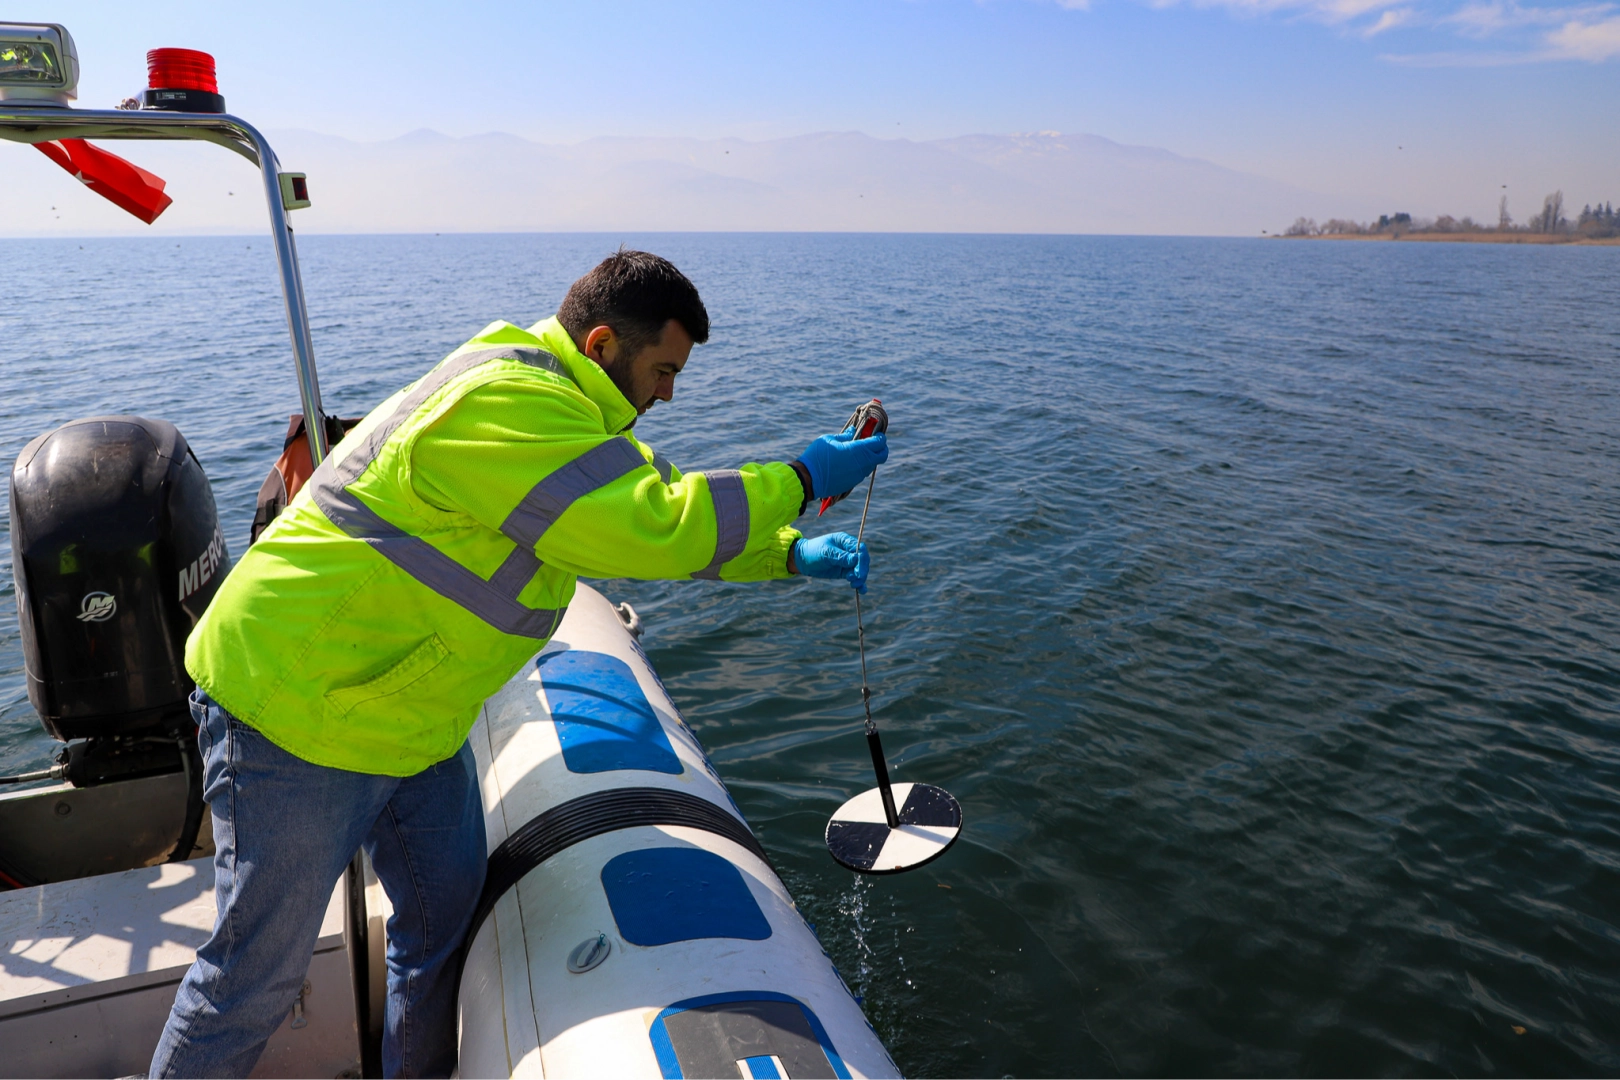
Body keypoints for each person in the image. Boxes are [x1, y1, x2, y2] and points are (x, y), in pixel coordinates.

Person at [149, 250, 886, 1079]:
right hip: (296, 707)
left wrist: (788, 553)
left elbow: (642, 505)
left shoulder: (566, 410)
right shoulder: (509, 403)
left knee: (440, 931)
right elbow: (655, 525)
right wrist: (801, 477)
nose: (669, 393)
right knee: (254, 978)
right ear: (604, 344)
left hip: (410, 714)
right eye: (664, 370)